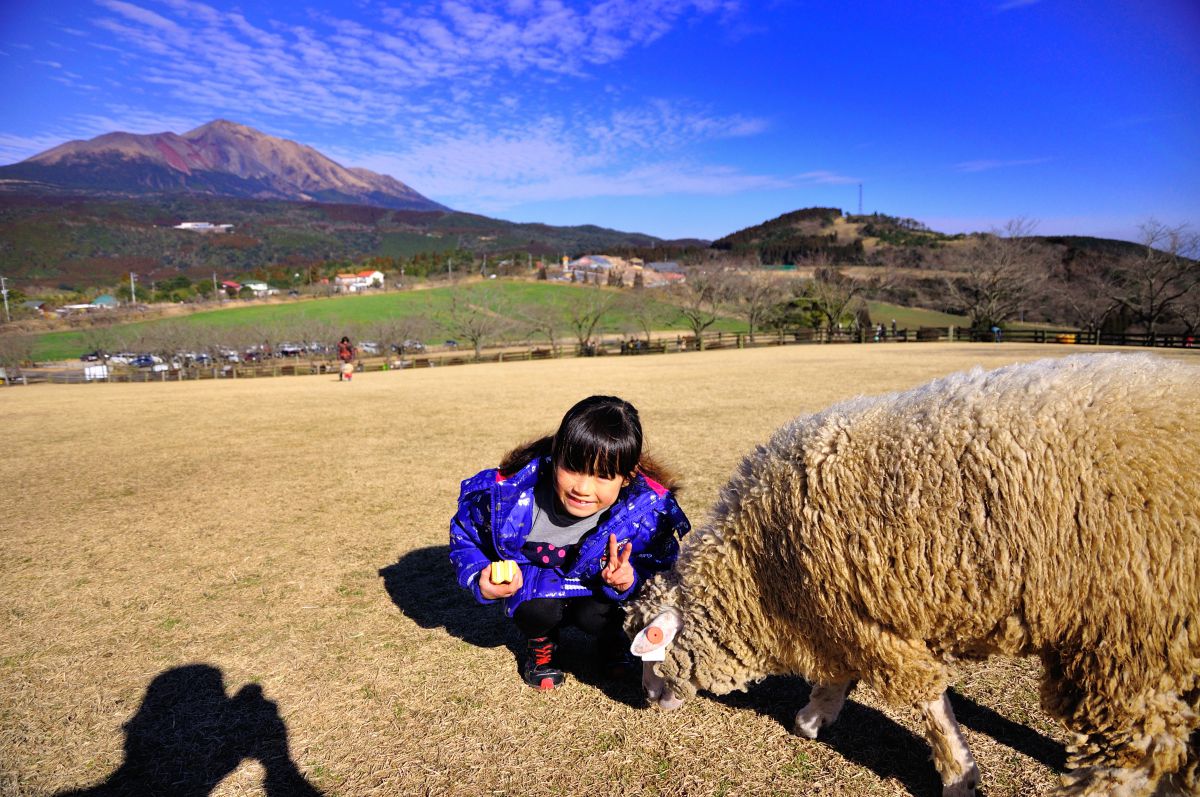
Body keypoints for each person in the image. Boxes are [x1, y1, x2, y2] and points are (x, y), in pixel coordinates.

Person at [449, 395, 691, 691]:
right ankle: (542, 643)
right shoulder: (510, 497)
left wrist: (628, 580)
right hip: (538, 588)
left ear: (627, 478)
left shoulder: (645, 513)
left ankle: (612, 638)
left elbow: (662, 571)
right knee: (536, 610)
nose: (583, 488)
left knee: (597, 615)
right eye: (573, 467)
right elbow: (466, 534)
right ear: (556, 455)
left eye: (603, 476)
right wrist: (479, 575)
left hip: (597, 593)